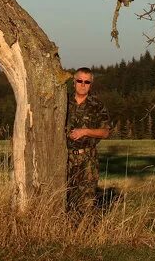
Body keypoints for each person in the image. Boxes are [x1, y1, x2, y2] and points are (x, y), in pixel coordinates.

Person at [65, 67, 111, 215]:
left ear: (91, 84)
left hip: (87, 160)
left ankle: (84, 233)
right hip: (64, 158)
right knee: (63, 198)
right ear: (74, 82)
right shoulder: (63, 102)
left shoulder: (97, 106)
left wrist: (85, 131)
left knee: (86, 203)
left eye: (87, 82)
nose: (83, 84)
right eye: (79, 81)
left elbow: (105, 132)